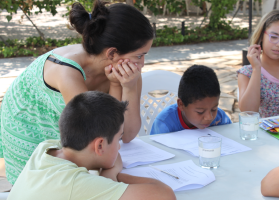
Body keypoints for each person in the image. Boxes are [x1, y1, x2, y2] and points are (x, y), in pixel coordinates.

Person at [0, 0, 154, 185]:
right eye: (139, 55)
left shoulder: (127, 73)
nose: (142, 63)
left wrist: (127, 87)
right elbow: (102, 133)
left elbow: (126, 134)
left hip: (75, 135)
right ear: (112, 54)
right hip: (29, 131)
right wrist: (111, 170)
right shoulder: (67, 72)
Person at [7, 91, 176, 200]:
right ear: (100, 145)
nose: (119, 148)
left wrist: (107, 177)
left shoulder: (46, 149)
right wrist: (111, 176)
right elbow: (165, 195)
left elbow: (113, 157)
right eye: (118, 140)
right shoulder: (76, 184)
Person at [237, 10, 279, 118]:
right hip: (268, 134)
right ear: (262, 36)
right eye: (274, 37)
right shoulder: (247, 73)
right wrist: (257, 69)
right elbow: (248, 112)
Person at [150, 65, 231, 135]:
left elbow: (231, 137)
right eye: (200, 112)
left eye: (214, 109)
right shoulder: (165, 124)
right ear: (181, 105)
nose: (209, 117)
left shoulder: (220, 118)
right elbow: (156, 150)